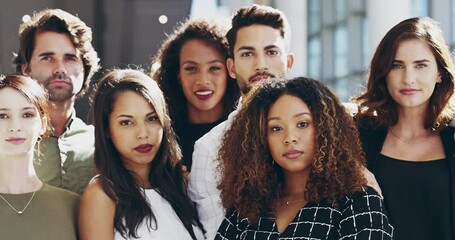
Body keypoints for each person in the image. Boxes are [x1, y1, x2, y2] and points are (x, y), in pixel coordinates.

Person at [215, 77, 394, 239]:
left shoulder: (357, 202)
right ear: (261, 138)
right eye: (276, 128)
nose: (290, 137)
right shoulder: (247, 208)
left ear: (325, 129)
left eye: (302, 124)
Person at [188, 4, 294, 238]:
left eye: (271, 52)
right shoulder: (210, 149)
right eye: (248, 54)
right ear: (232, 67)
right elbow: (217, 233)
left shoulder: (324, 130)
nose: (261, 65)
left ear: (289, 62)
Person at [353, 17, 455, 240]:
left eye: (421, 65)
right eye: (397, 66)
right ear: (384, 72)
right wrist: (349, 167)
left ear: (439, 73)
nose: (408, 78)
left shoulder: (452, 137)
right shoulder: (358, 135)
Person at [78, 69, 205, 239]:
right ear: (107, 128)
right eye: (127, 122)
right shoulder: (102, 195)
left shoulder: (181, 184)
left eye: (151, 118)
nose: (143, 134)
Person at [13, 9, 100, 194]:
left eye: (70, 58)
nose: (60, 69)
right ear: (26, 69)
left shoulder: (102, 143)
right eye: (48, 58)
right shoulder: (8, 138)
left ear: (85, 69)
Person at [152, 18, 240, 171]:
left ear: (230, 70)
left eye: (214, 68)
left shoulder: (245, 132)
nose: (203, 80)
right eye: (191, 69)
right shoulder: (161, 137)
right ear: (177, 74)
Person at [0, 74, 79, 239]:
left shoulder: (72, 205)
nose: (15, 127)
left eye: (27, 115)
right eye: (2, 116)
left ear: (43, 124)